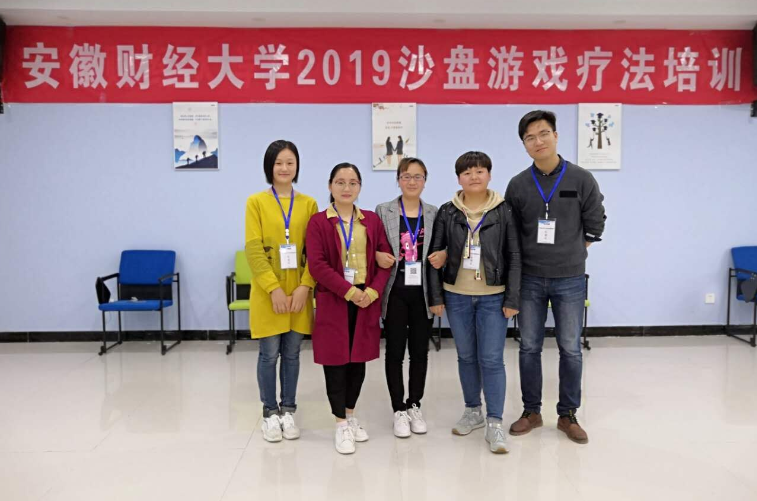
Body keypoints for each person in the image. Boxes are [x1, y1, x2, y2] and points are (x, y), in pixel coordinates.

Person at [505, 110, 607, 445]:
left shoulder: (581, 178)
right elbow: (511, 232)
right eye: (530, 137)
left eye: (543, 133)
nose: (538, 141)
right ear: (524, 145)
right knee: (529, 347)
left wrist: (575, 248)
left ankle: (568, 414)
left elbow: (596, 219)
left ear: (556, 136)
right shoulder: (518, 184)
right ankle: (531, 411)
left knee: (571, 348)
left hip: (570, 279)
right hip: (530, 278)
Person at [427, 151, 521, 454]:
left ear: (489, 175)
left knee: (491, 359)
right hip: (456, 295)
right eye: (467, 172)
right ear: (459, 179)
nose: (474, 177)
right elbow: (434, 255)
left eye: (480, 171)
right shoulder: (448, 211)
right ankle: (472, 411)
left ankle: (495, 421)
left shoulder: (504, 210)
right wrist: (436, 297)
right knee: (466, 357)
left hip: (494, 296)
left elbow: (514, 256)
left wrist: (513, 297)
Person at [306, 163, 392, 454]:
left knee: (358, 360)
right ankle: (340, 423)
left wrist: (372, 291)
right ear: (330, 186)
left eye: (353, 182)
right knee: (335, 361)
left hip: (366, 299)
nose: (346, 188)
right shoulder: (318, 222)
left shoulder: (371, 220)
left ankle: (351, 415)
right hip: (335, 299)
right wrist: (350, 292)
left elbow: (385, 259)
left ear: (360, 187)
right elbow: (317, 266)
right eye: (340, 182)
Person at [244, 140, 318, 442]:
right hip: (268, 294)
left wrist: (305, 286)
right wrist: (273, 289)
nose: (284, 168)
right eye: (278, 163)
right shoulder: (256, 202)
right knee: (269, 354)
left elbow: (315, 252)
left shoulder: (309, 204)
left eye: (290, 162)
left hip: (299, 292)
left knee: (292, 354)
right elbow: (253, 249)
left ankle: (288, 409)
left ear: (297, 166)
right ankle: (270, 412)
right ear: (269, 167)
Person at [374, 157, 443, 438]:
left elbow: (442, 247)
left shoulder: (435, 213)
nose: (412, 181)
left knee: (419, 353)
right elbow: (374, 246)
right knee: (394, 352)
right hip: (395, 292)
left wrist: (445, 254)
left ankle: (415, 404)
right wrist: (377, 255)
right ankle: (398, 409)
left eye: (417, 176)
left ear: (425, 180)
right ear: (398, 180)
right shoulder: (384, 210)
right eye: (406, 176)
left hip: (423, 293)